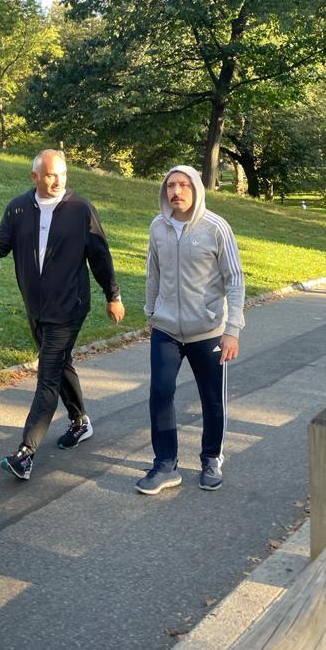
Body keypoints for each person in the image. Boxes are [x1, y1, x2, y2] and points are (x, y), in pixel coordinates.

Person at [0, 149, 125, 480]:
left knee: (47, 374)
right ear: (34, 176)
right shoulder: (19, 208)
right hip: (37, 307)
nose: (58, 179)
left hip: (70, 307)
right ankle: (80, 422)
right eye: (50, 174)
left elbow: (100, 256)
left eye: (62, 173)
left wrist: (113, 296)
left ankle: (26, 453)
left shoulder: (80, 209)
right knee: (60, 365)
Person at [137, 165, 245, 495]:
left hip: (209, 331)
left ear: (196, 189)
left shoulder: (216, 228)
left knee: (212, 400)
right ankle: (166, 464)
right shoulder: (158, 227)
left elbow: (235, 280)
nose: (177, 191)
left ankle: (211, 458)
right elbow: (153, 273)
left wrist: (233, 329)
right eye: (171, 185)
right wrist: (151, 312)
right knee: (160, 393)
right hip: (166, 329)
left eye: (184, 185)